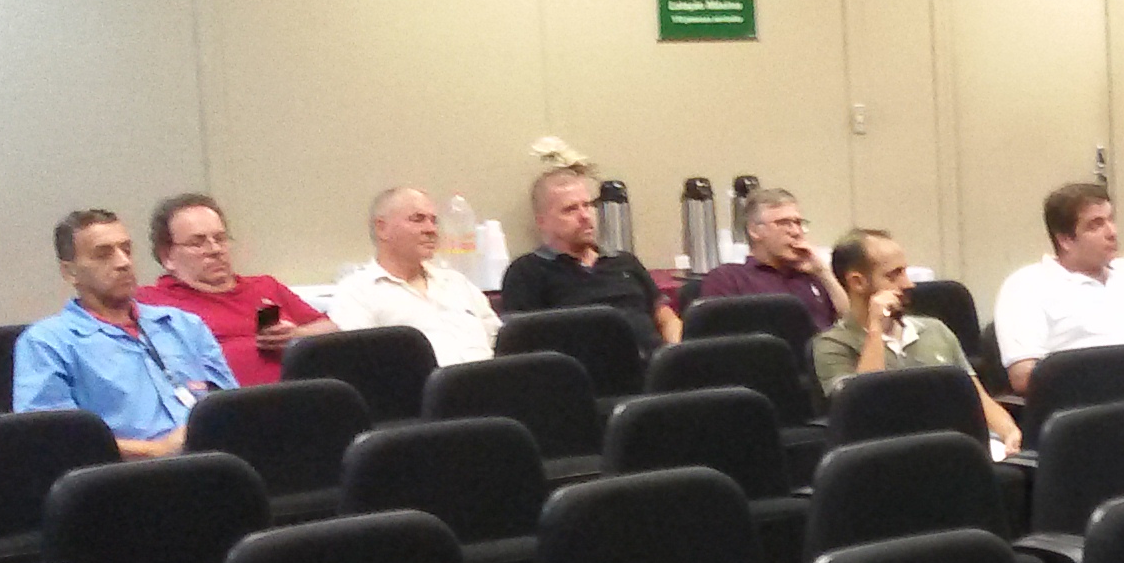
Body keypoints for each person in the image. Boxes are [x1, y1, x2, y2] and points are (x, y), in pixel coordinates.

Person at [12, 209, 236, 457]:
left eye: (126, 250)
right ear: (70, 272)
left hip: (216, 461)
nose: (123, 263)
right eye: (103, 255)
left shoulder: (184, 325)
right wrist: (156, 451)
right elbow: (52, 437)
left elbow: (232, 406)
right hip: (124, 473)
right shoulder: (48, 343)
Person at [991, 183, 1124, 402]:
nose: (1112, 232)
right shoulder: (1025, 285)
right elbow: (1024, 375)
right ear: (1065, 240)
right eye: (1096, 225)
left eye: (1111, 219)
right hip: (1097, 408)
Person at [811, 229, 1017, 451]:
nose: (908, 284)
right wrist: (876, 329)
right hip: (884, 454)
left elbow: (978, 399)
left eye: (905, 272)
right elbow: (864, 409)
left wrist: (1009, 432)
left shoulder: (935, 330)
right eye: (894, 275)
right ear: (857, 282)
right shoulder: (831, 345)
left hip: (951, 449)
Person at [140, 194, 329, 387]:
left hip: (300, 392)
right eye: (198, 243)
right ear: (167, 257)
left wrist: (298, 335)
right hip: (224, 400)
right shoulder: (150, 303)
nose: (215, 249)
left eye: (220, 239)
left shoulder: (265, 286)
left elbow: (330, 329)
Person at [498, 168, 678, 344]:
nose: (585, 216)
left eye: (588, 205)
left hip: (653, 359)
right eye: (570, 209)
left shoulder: (624, 262)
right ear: (542, 222)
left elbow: (667, 318)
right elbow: (522, 342)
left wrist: (674, 351)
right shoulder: (527, 272)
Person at [325, 187, 498, 368]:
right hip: (420, 385)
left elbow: (499, 340)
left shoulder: (457, 283)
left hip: (488, 380)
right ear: (382, 228)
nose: (431, 229)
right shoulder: (357, 292)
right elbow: (361, 364)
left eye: (434, 221)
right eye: (418, 219)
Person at [695, 187, 836, 329]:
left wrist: (823, 272)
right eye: (783, 223)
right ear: (754, 231)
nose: (796, 232)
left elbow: (848, 324)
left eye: (798, 223)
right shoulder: (728, 278)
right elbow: (720, 335)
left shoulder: (811, 274)